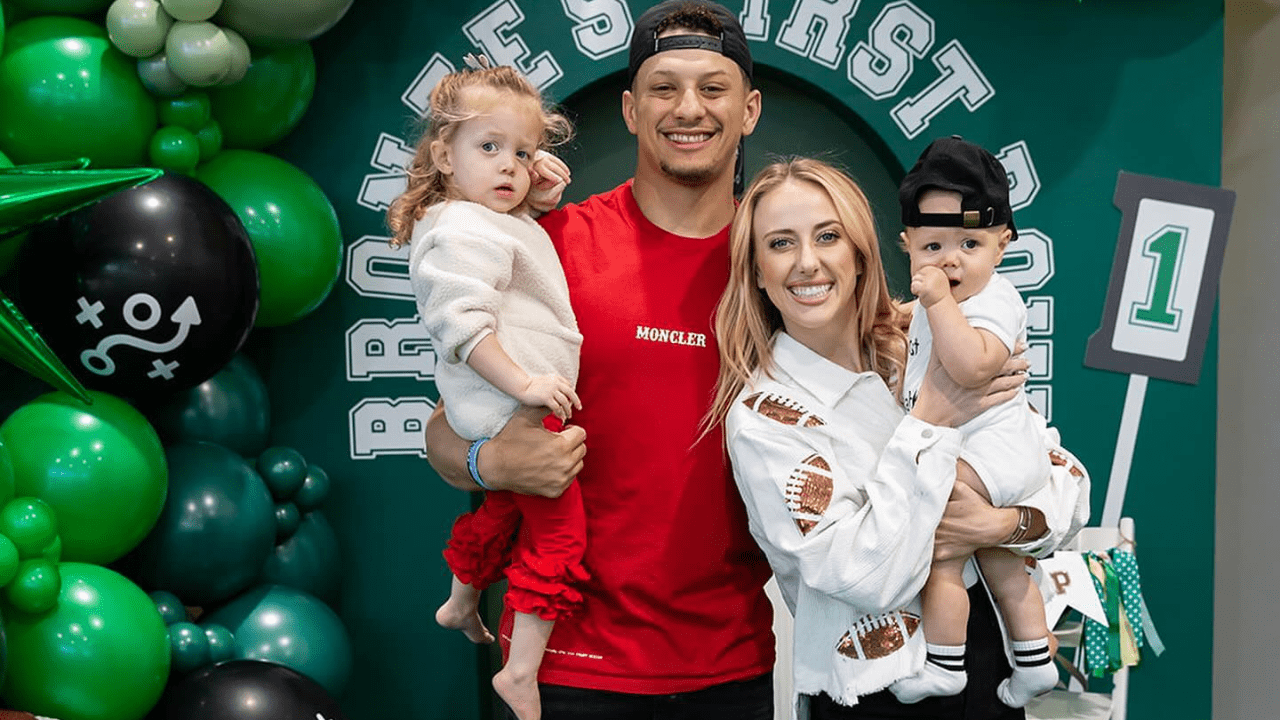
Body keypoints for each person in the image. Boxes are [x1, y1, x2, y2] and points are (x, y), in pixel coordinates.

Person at [425, 3, 1082, 719]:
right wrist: (492, 462)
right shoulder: (552, 246)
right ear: (630, 109)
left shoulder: (796, 275)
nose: (689, 109)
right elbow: (448, 425)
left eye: (713, 88)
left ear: (749, 109)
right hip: (572, 660)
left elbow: (1031, 461)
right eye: (664, 88)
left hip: (730, 661)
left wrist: (1005, 522)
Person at [707, 157, 1089, 720]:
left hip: (991, 675)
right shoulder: (767, 415)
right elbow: (863, 575)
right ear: (757, 272)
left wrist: (1003, 525)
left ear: (861, 254)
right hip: (875, 697)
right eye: (781, 243)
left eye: (828, 236)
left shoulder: (933, 343)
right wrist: (930, 421)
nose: (808, 262)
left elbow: (1064, 484)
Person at [385, 60, 585, 720]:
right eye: (489, 147)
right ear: (444, 154)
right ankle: (520, 672)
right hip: (512, 407)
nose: (511, 166)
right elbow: (463, 327)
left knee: (503, 511)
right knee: (559, 540)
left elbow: (514, 233)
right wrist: (525, 382)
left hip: (506, 407)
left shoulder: (480, 217)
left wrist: (536, 182)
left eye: (523, 151)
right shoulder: (458, 229)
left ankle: (462, 600)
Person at [887, 136, 1057, 708]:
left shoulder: (994, 301)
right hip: (989, 451)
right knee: (1000, 560)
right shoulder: (940, 308)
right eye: (932, 244)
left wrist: (934, 304)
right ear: (906, 244)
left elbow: (972, 368)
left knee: (943, 552)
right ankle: (1034, 658)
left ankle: (945, 664)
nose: (950, 260)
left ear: (1003, 244)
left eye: (970, 243)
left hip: (995, 450)